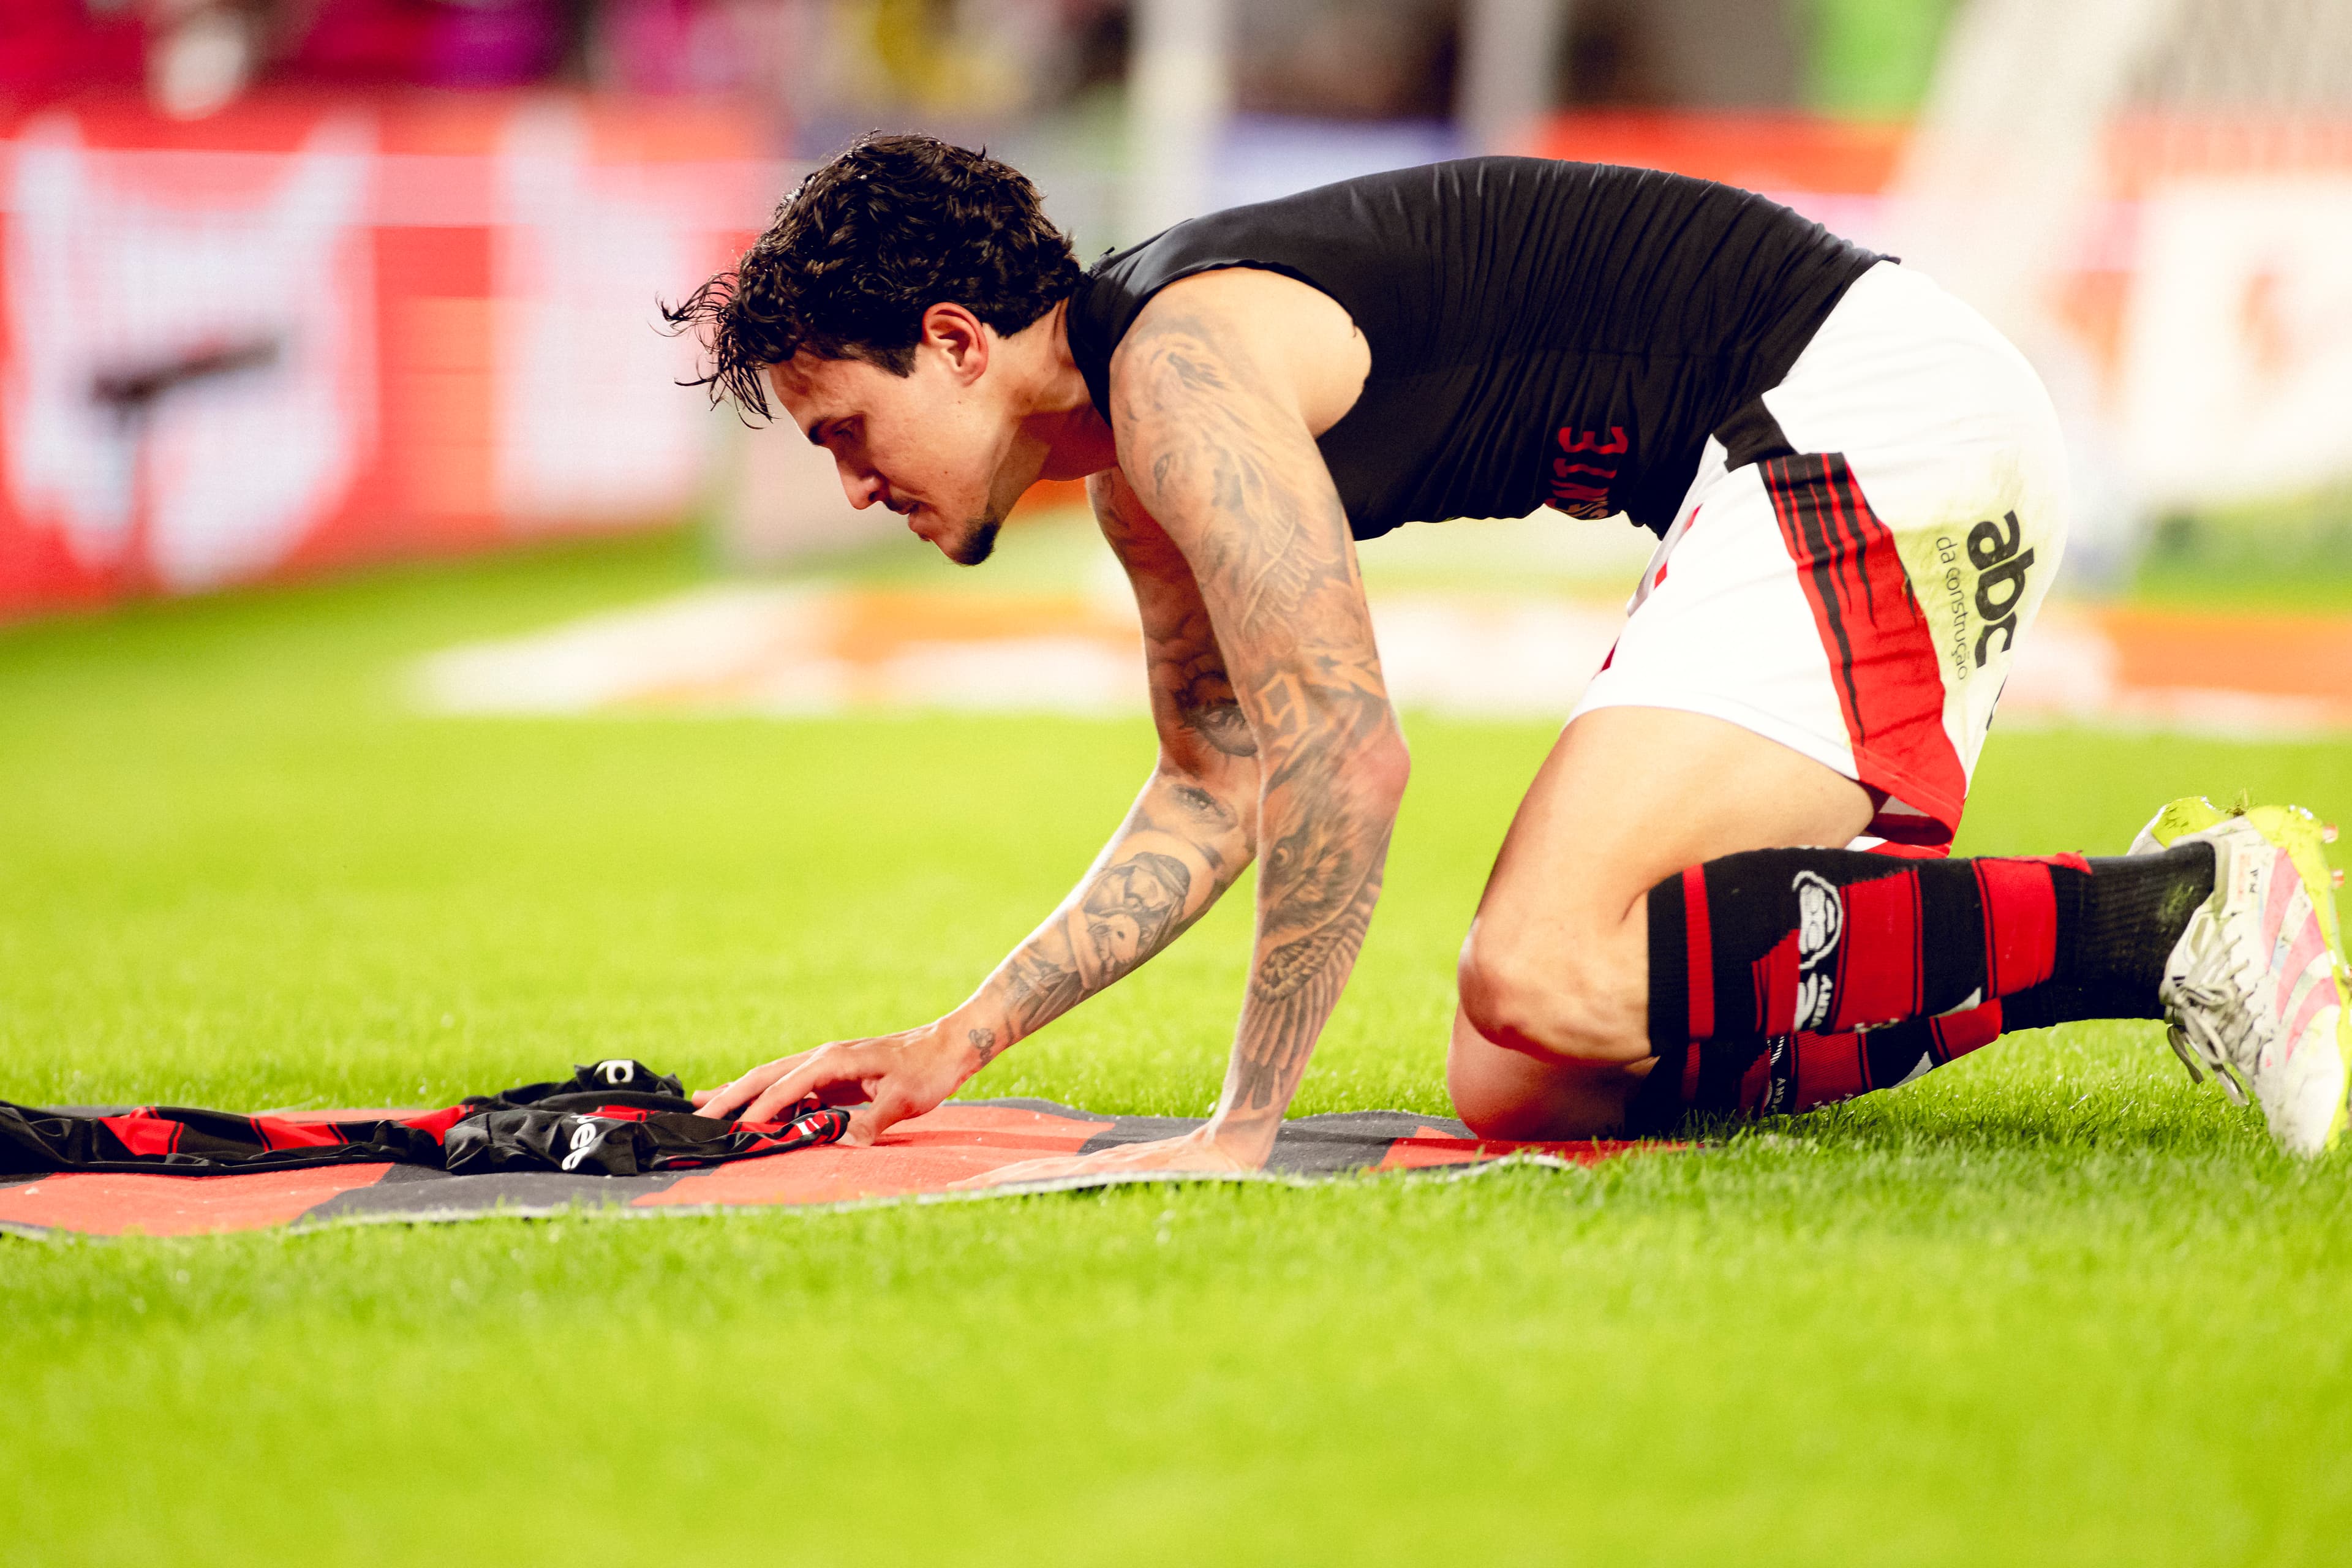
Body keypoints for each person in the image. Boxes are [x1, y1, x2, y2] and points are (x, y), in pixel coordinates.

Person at [673, 134, 2350, 1175]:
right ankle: (2099, 926)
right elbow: (1215, 787)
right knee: (1534, 1072)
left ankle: (2175, 918)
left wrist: (1241, 1126)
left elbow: (1348, 758)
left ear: (955, 341)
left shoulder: (1179, 378)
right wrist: (950, 1045)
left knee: (1541, 966)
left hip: (1860, 414)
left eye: (848, 427)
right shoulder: (1137, 466)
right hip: (1808, 440)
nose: (855, 483)